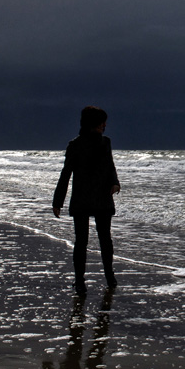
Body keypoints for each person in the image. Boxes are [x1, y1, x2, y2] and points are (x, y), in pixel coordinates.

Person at [53, 106, 121, 295]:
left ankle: (109, 276)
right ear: (93, 123)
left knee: (103, 239)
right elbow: (66, 174)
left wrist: (115, 183)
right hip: (83, 198)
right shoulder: (75, 145)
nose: (104, 125)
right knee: (83, 241)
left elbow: (110, 167)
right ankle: (80, 281)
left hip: (100, 197)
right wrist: (58, 201)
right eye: (101, 122)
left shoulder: (105, 142)